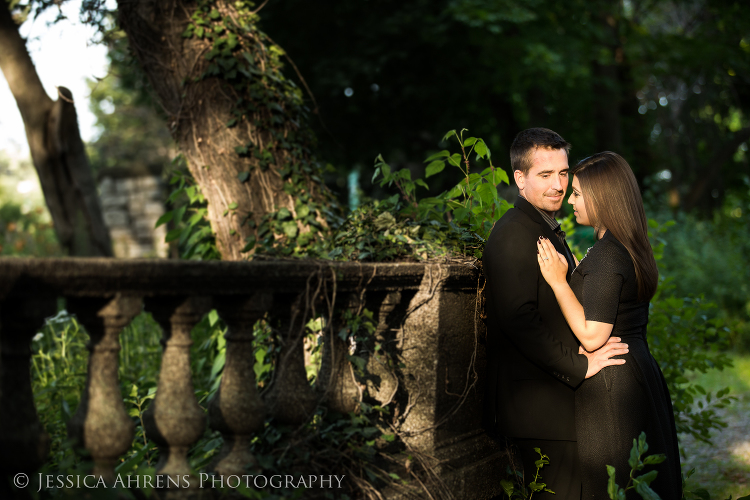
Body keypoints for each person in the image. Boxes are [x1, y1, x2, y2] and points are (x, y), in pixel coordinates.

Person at [482, 128, 629, 499]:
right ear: (520, 178)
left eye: (563, 173)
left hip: (559, 404)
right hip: (539, 409)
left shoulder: (545, 228)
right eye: (545, 175)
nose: (558, 184)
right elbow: (520, 321)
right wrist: (579, 364)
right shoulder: (512, 235)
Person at [536, 151, 682, 499]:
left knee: (615, 487)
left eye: (578, 193)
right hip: (635, 369)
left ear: (602, 198)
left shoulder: (607, 255)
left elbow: (592, 335)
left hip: (613, 385)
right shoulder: (626, 245)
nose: (569, 199)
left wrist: (559, 282)